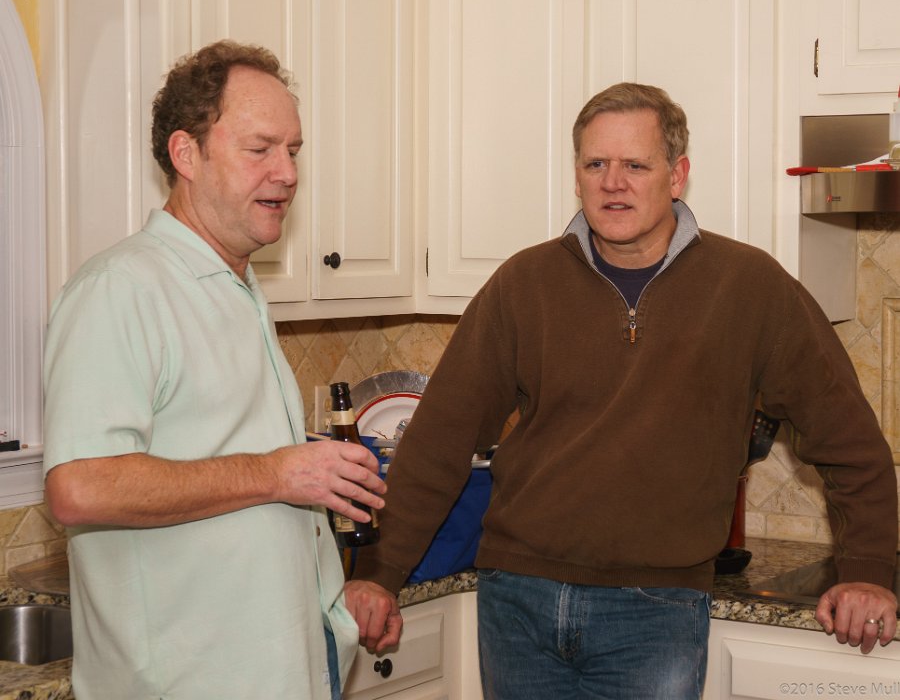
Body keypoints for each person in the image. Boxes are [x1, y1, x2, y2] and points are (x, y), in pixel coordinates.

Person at [343, 83, 899, 699]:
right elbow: (439, 440)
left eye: (635, 165)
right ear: (577, 176)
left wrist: (868, 570)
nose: (613, 183)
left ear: (677, 175)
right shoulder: (523, 284)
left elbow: (850, 442)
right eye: (595, 164)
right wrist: (380, 571)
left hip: (655, 610)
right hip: (517, 598)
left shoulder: (750, 287)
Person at [42, 40, 386, 700]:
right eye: (260, 149)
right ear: (186, 154)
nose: (287, 173)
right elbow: (79, 486)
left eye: (294, 151)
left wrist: (328, 600)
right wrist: (277, 472)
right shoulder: (119, 289)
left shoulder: (237, 286)